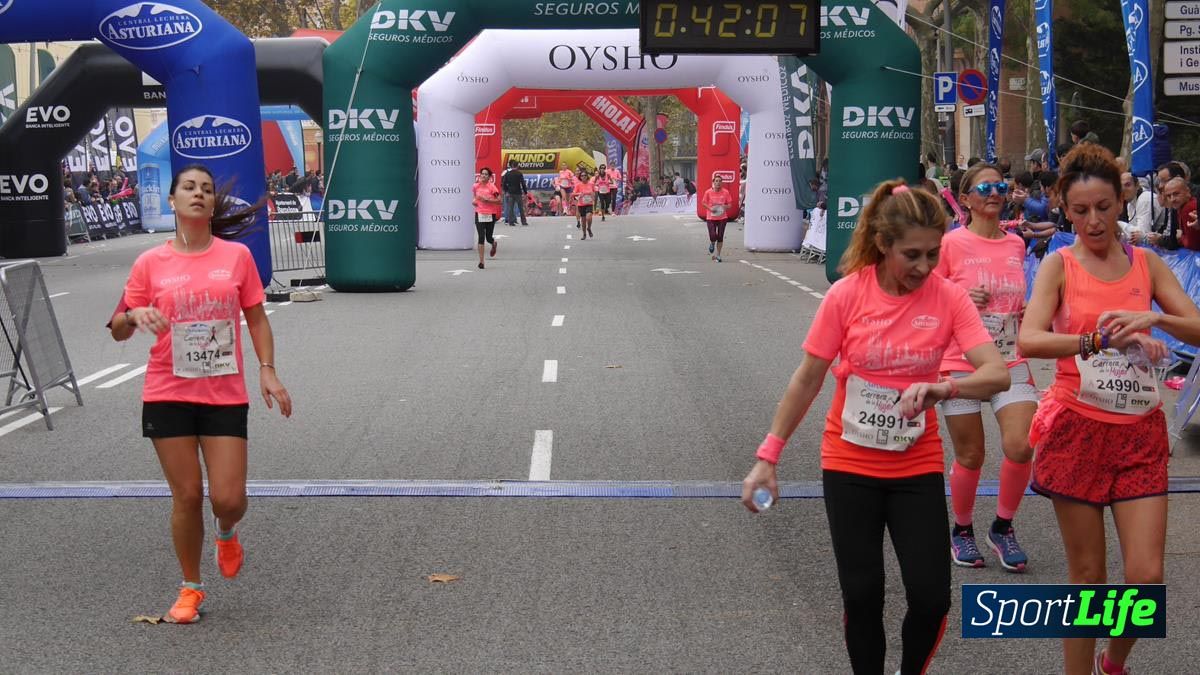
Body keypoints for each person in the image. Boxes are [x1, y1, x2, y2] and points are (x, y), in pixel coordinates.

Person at [742, 179, 1008, 675]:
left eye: (933, 254)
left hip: (916, 464)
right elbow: (807, 379)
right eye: (912, 255)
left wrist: (942, 388)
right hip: (849, 463)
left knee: (931, 598)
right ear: (883, 244)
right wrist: (768, 456)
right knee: (863, 595)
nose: (925, 267)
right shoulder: (846, 296)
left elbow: (995, 372)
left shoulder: (948, 298)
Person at [1018, 144, 1200, 675]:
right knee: (1088, 579)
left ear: (1120, 201)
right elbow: (1030, 339)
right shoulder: (1058, 264)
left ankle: (1111, 662)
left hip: (1138, 433)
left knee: (1146, 577)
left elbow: (1194, 324)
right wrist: (1095, 340)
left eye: (1103, 207)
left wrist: (1152, 321)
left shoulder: (1146, 263)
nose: (1094, 220)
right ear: (1064, 209)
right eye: (1080, 210)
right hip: (1077, 427)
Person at [114, 164, 292, 624]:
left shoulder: (236, 257)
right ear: (172, 202)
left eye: (207, 190)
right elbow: (118, 327)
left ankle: (227, 531)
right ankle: (191, 586)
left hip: (224, 392)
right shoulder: (149, 263)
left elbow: (256, 318)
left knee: (227, 499)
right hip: (167, 391)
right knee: (188, 495)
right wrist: (134, 318)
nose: (199, 194)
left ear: (213, 204)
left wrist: (267, 370)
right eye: (189, 188)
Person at [936, 163, 1039, 573]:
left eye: (1000, 186)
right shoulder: (949, 244)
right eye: (984, 188)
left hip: (1010, 356)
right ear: (966, 199)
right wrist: (959, 295)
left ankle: (1002, 526)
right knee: (972, 454)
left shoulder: (1016, 244)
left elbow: (1019, 297)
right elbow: (926, 295)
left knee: (1021, 445)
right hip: (961, 362)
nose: (994, 193)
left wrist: (1030, 311)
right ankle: (961, 530)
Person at [472, 168, 502, 269]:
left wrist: (488, 200)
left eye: (485, 174)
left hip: (490, 214)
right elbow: (475, 198)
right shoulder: (476, 186)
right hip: (479, 213)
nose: (483, 176)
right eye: (482, 174)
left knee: (488, 237)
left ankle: (493, 243)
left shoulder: (492, 187)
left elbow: (499, 200)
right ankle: (481, 261)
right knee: (481, 236)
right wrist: (474, 201)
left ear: (489, 177)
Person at [700, 175, 733, 262]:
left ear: (722, 183)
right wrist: (710, 208)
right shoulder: (708, 192)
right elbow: (703, 202)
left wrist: (724, 206)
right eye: (716, 181)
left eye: (719, 181)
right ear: (713, 182)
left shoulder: (725, 192)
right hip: (711, 217)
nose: (718, 183)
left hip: (722, 217)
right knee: (713, 235)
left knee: (720, 236)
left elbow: (730, 205)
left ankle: (718, 255)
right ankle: (712, 242)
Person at [500, 159, 529, 227]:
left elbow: (504, 183)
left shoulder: (507, 174)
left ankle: (511, 222)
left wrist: (506, 191)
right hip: (518, 192)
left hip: (510, 193)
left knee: (510, 207)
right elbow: (523, 183)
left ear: (512, 166)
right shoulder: (519, 173)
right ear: (517, 166)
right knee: (520, 208)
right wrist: (525, 192)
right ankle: (523, 222)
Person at [573, 167, 596, 240]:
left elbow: (594, 192)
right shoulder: (578, 185)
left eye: (585, 175)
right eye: (582, 176)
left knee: (589, 217)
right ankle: (584, 234)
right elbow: (573, 194)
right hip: (581, 204)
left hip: (589, 203)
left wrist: (592, 195)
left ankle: (589, 228)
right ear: (580, 177)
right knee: (583, 221)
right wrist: (580, 194)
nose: (583, 177)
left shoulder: (591, 184)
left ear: (587, 176)